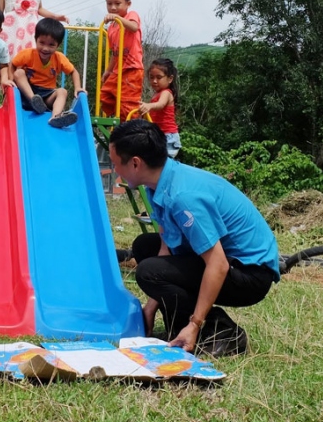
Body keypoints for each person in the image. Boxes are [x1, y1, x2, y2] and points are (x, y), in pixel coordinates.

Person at [108, 119, 280, 357]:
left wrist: (195, 323)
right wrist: (150, 307)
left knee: (148, 271)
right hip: (227, 261)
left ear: (136, 163)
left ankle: (219, 330)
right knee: (144, 247)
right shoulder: (158, 184)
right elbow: (167, 245)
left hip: (250, 273)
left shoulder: (183, 197)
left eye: (116, 164)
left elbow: (218, 264)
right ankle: (179, 326)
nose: (115, 171)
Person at [11, 18, 86, 128]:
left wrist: (77, 87)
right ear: (36, 39)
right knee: (19, 73)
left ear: (58, 45)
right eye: (42, 43)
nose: (45, 48)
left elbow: (73, 71)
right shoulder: (27, 54)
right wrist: (9, 80)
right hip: (28, 93)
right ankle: (34, 100)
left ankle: (55, 117)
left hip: (47, 96)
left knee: (62, 91)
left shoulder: (59, 58)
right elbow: (12, 65)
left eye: (51, 45)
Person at [100, 0, 143, 120]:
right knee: (105, 95)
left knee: (128, 102)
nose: (113, 7)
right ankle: (117, 117)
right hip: (118, 70)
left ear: (128, 3)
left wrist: (118, 18)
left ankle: (130, 124)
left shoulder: (131, 15)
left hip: (132, 69)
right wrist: (108, 70)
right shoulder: (112, 27)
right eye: (109, 4)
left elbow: (134, 27)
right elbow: (115, 53)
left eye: (117, 3)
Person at [137, 58, 181, 158]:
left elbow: (160, 105)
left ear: (170, 79)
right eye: (151, 77)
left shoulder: (166, 93)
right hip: (159, 136)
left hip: (168, 137)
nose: (154, 81)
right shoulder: (156, 95)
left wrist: (148, 106)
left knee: (160, 165)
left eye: (159, 77)